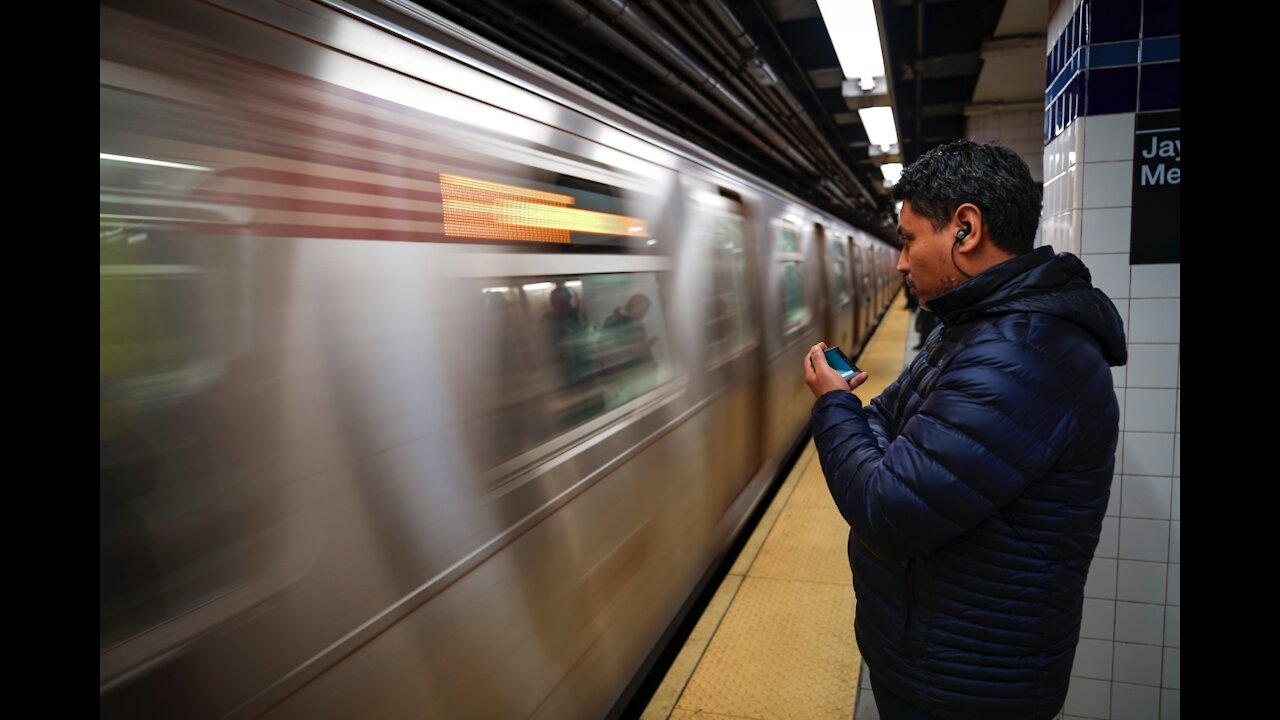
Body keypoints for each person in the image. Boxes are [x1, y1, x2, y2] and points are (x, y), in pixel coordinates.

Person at [802, 139, 1126, 720]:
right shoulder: (974, 332)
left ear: (964, 229)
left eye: (907, 240)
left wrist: (832, 404)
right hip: (940, 657)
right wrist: (868, 429)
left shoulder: (1021, 356)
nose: (900, 263)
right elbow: (881, 418)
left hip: (966, 685)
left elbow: (885, 506)